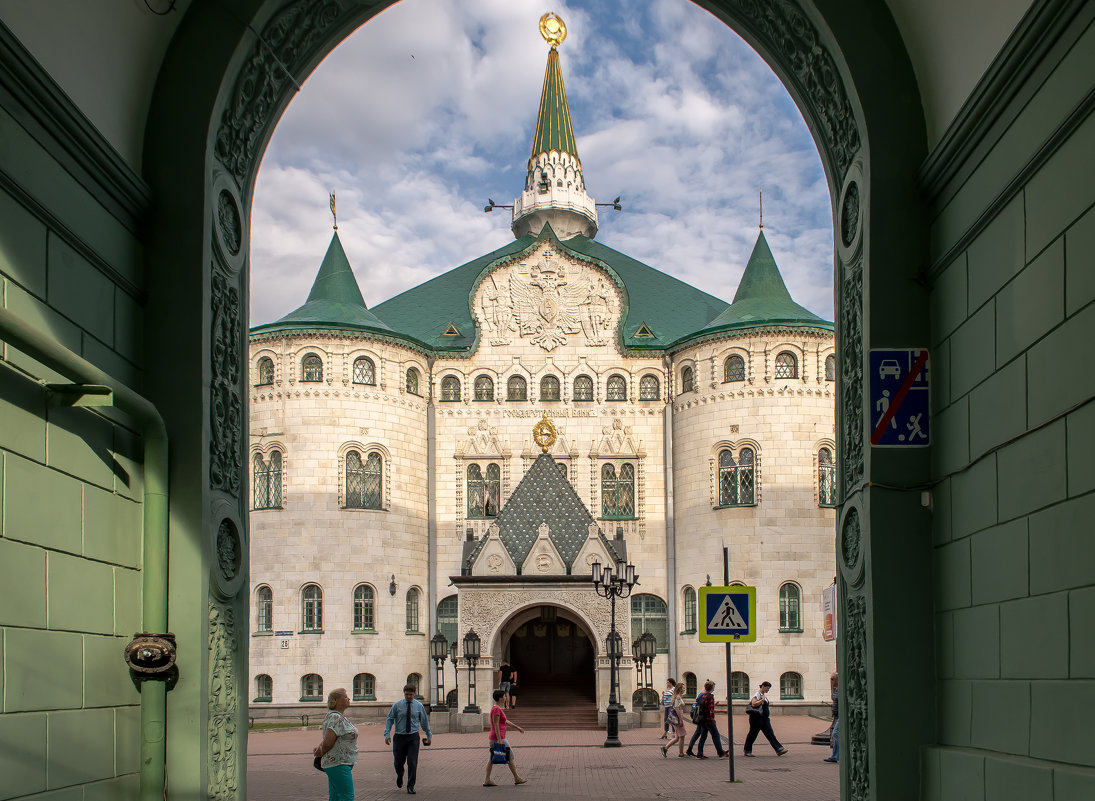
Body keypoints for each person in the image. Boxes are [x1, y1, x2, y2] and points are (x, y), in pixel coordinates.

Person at [384, 684, 433, 795]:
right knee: (398, 762)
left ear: (414, 694)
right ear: (404, 693)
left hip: (413, 737)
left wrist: (429, 735)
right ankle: (400, 775)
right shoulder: (397, 705)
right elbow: (390, 719)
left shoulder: (419, 706)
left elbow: (424, 722)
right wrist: (387, 734)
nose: (409, 697)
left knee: (412, 762)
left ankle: (411, 786)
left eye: (411, 694)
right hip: (399, 737)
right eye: (407, 694)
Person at [313, 688, 358, 801]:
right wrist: (321, 751)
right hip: (338, 763)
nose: (348, 698)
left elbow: (330, 737)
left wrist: (320, 748)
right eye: (345, 697)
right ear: (336, 700)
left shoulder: (338, 716)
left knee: (336, 797)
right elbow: (328, 742)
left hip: (339, 763)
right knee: (347, 796)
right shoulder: (335, 717)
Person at [484, 688, 528, 786]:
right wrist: (499, 739)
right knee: (510, 757)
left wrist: (517, 727)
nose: (505, 697)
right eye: (504, 696)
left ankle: (487, 780)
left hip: (495, 738)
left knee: (491, 758)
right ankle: (517, 778)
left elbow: (505, 721)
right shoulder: (496, 709)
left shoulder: (497, 708)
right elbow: (496, 724)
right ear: (500, 698)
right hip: (498, 738)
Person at [743, 681, 788, 757]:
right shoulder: (757, 694)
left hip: (764, 719)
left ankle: (779, 749)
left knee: (770, 733)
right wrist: (762, 700)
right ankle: (747, 751)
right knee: (753, 734)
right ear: (763, 687)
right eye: (767, 688)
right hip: (756, 719)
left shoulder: (763, 695)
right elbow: (753, 703)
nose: (768, 690)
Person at [686, 679, 727, 759]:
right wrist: (722, 711)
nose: (714, 689)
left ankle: (700, 753)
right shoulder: (710, 697)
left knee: (703, 736)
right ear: (711, 688)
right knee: (715, 735)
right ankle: (720, 752)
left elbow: (702, 706)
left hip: (702, 719)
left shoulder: (702, 695)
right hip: (709, 720)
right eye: (713, 687)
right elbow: (710, 710)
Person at [661, 681, 688, 757]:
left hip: (677, 717)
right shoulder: (678, 697)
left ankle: (665, 748)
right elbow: (677, 708)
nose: (684, 689)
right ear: (679, 689)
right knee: (682, 735)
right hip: (678, 718)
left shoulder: (677, 696)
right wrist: (681, 720)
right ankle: (681, 753)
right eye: (683, 688)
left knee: (677, 737)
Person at [824, 672, 839, 763]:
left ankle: (836, 756)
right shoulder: (836, 689)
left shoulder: (841, 689)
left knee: (836, 733)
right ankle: (835, 755)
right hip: (836, 715)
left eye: (832, 679)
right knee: (835, 734)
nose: (831, 681)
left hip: (841, 715)